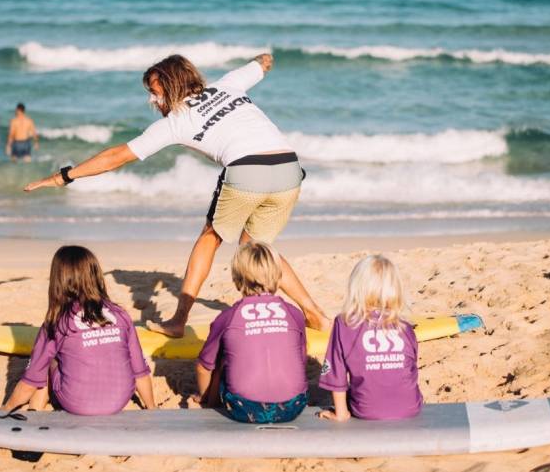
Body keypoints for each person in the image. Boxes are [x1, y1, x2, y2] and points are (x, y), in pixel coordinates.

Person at [23, 53, 330, 337]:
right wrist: (264, 60)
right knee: (256, 251)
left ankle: (179, 320)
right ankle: (315, 313)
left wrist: (64, 176)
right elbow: (261, 63)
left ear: (172, 87)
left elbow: (116, 156)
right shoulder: (230, 85)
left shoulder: (176, 122)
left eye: (155, 93)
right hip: (289, 168)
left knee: (210, 238)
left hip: (247, 169)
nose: (153, 101)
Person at [0, 245, 155, 415]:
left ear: (58, 280)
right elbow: (140, 371)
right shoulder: (120, 314)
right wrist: (152, 408)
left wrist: (6, 408)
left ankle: (35, 410)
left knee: (45, 361)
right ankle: (36, 410)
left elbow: (29, 383)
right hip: (120, 399)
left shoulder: (57, 321)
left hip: (77, 402)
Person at [195, 241, 308, 423]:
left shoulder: (228, 317)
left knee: (221, 359)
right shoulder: (294, 314)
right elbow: (301, 360)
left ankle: (210, 403)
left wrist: (204, 396)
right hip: (293, 406)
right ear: (279, 277)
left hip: (246, 409)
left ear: (237, 279)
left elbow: (203, 368)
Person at [318, 255, 423, 421]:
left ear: (356, 287)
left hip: (366, 410)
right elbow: (411, 365)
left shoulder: (344, 323)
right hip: (410, 406)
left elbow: (336, 374)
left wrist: (341, 414)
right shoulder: (405, 325)